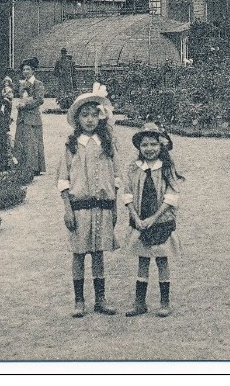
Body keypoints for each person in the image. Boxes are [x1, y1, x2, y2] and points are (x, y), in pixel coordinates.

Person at [57, 84, 120, 317]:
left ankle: (100, 299)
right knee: (78, 253)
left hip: (102, 207)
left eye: (95, 115)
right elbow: (63, 178)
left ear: (101, 117)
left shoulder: (107, 144)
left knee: (98, 252)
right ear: (77, 119)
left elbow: (115, 177)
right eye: (85, 115)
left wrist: (114, 208)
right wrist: (67, 208)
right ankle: (79, 300)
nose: (90, 120)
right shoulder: (72, 145)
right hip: (79, 207)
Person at [122, 122, 183, 317]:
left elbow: (171, 196)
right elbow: (128, 194)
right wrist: (135, 217)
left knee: (162, 260)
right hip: (141, 221)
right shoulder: (134, 168)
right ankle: (140, 303)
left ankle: (164, 302)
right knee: (143, 261)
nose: (149, 149)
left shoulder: (166, 167)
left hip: (161, 221)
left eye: (154, 144)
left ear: (161, 146)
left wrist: (155, 218)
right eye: (145, 145)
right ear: (139, 147)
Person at [13, 58, 46, 178]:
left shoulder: (38, 84)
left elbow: (39, 100)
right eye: (24, 69)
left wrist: (26, 104)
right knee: (22, 141)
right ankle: (23, 166)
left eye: (28, 69)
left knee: (32, 142)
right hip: (22, 116)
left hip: (32, 117)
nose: (25, 71)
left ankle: (34, 167)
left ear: (33, 71)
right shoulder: (22, 84)